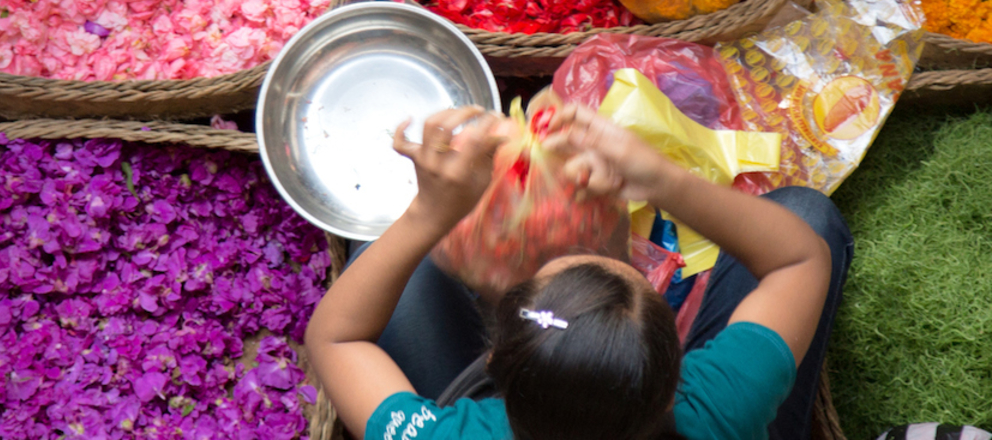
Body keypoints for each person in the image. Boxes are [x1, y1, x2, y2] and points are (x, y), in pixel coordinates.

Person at [305, 104, 854, 440]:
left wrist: (430, 214)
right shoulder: (719, 408)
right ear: (677, 376)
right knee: (806, 215)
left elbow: (336, 337)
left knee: (386, 264)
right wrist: (662, 180)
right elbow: (799, 258)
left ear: (494, 368)